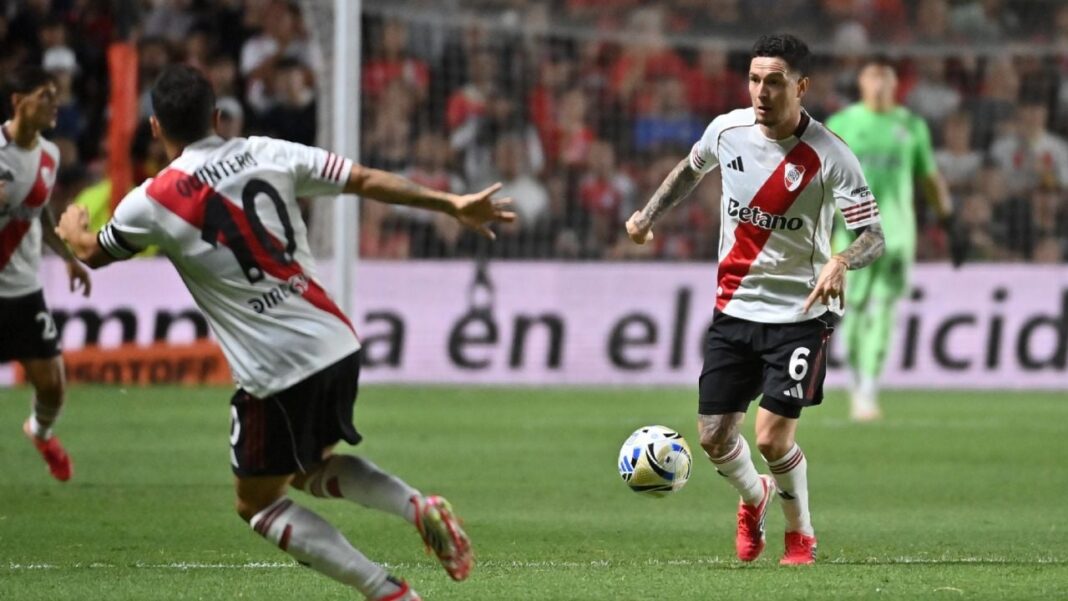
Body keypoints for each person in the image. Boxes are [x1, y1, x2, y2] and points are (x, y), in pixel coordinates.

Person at [56, 65, 515, 601]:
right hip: (337, 341)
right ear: (218, 116)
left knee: (257, 503)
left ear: (155, 128)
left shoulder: (152, 201)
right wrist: (451, 203)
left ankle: (388, 593)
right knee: (306, 469)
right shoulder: (268, 151)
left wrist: (72, 232)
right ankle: (416, 505)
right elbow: (363, 179)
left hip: (275, 370)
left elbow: (94, 253)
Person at [624, 34, 885, 565]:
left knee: (769, 439)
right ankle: (756, 496)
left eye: (774, 81)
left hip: (801, 314)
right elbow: (689, 170)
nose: (760, 92)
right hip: (734, 308)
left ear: (801, 86)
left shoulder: (830, 155)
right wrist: (648, 216)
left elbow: (873, 236)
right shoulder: (728, 129)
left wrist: (840, 261)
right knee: (714, 436)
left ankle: (801, 534)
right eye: (753, 79)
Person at [826, 57, 961, 422]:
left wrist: (949, 220)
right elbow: (821, 180)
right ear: (862, 83)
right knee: (851, 310)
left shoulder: (911, 125)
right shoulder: (842, 125)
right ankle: (855, 383)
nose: (880, 86)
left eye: (886, 79)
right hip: (852, 236)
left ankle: (868, 389)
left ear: (896, 84)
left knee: (884, 309)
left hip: (897, 235)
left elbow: (929, 178)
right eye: (873, 78)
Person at [1, 65, 92, 482]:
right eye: (44, 95)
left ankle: (40, 432)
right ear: (18, 101)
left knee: (52, 385)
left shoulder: (49, 155)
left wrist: (68, 256)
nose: (55, 103)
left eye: (56, 95)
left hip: (23, 291)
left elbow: (41, 211)